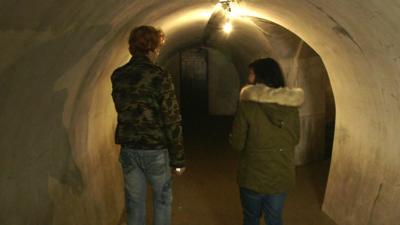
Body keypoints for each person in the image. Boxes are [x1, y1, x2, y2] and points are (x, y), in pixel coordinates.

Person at [111, 25, 186, 225]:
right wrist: (178, 159)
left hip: (129, 148)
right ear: (151, 48)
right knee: (162, 201)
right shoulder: (159, 75)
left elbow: (121, 107)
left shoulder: (118, 75)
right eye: (158, 47)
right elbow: (171, 117)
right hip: (155, 150)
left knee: (134, 203)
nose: (158, 51)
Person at [230, 58, 304, 225]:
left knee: (251, 217)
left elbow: (237, 143)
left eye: (251, 73)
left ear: (260, 77)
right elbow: (295, 139)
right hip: (280, 175)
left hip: (252, 176)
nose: (249, 77)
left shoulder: (247, 106)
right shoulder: (291, 107)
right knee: (274, 218)